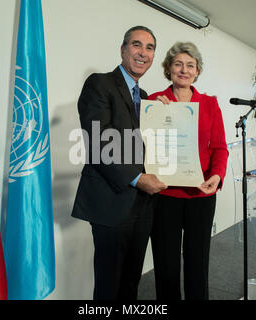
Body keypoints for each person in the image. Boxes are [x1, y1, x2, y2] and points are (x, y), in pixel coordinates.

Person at [71, 26, 167, 300]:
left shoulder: (146, 98)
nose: (143, 53)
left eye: (149, 48)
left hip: (143, 204)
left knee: (131, 281)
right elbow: (99, 142)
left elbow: (148, 146)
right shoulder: (99, 83)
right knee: (109, 284)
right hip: (112, 200)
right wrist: (138, 178)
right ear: (123, 50)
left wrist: (161, 116)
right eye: (137, 45)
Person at [148, 42, 229, 300]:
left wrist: (216, 176)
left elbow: (219, 148)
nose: (184, 70)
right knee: (166, 263)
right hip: (164, 195)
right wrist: (155, 115)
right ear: (169, 69)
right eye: (178, 64)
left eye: (190, 65)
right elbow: (143, 146)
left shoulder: (209, 104)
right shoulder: (152, 101)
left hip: (201, 195)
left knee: (197, 261)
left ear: (197, 71)